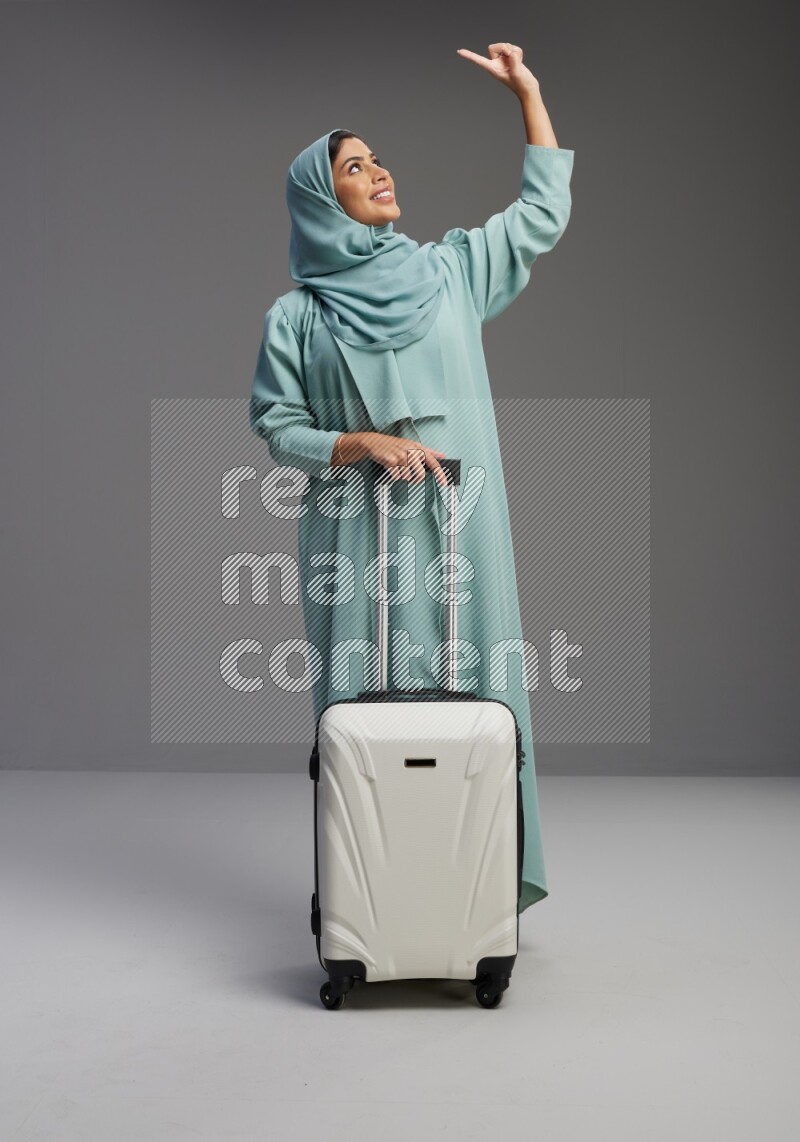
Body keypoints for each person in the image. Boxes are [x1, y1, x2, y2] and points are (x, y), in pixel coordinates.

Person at [249, 43, 574, 913]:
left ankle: (470, 899)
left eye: (378, 158)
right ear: (326, 202)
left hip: (463, 526)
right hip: (354, 539)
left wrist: (529, 96)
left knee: (478, 698)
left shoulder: (451, 272)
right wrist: (356, 443)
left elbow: (540, 214)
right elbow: (276, 429)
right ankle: (370, 903)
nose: (380, 172)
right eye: (355, 168)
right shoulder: (298, 316)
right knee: (362, 707)